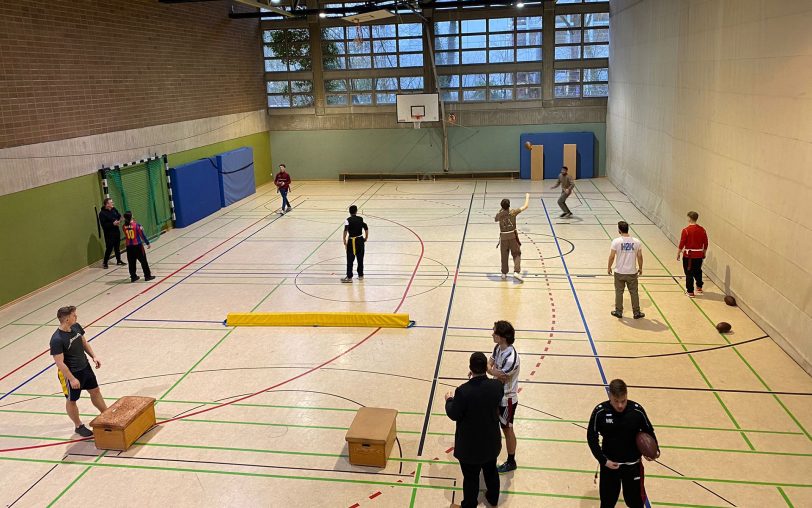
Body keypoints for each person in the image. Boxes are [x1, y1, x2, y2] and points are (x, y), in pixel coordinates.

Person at [445, 352, 504, 508]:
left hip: (470, 447)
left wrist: (449, 400)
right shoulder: (497, 386)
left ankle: (469, 505)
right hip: (491, 442)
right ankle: (493, 499)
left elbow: (454, 414)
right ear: (486, 367)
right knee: (491, 471)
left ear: (470, 368)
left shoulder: (463, 391)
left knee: (471, 477)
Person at [587, 379, 659, 508]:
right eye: (616, 401)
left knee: (635, 503)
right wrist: (603, 461)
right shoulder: (600, 412)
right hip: (609, 467)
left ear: (627, 395)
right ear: (610, 396)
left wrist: (655, 451)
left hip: (632, 467)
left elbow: (649, 431)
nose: (620, 405)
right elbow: (591, 437)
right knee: (607, 503)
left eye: (623, 401)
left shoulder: (637, 411)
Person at [50, 306, 108, 437]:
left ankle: (106, 413)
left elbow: (84, 343)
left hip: (85, 367)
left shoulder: (76, 327)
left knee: (95, 391)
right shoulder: (57, 339)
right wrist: (71, 378)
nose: (76, 317)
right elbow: (59, 363)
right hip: (71, 373)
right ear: (66, 319)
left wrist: (94, 356)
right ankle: (78, 425)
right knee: (72, 400)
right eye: (74, 315)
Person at [488, 320, 521, 473]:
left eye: (494, 332)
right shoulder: (498, 347)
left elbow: (500, 376)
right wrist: (488, 368)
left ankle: (511, 460)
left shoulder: (511, 358)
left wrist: (486, 369)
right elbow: (491, 363)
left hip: (507, 399)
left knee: (507, 429)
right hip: (496, 394)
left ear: (502, 337)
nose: (492, 334)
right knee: (493, 425)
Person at [607, 221, 645, 319]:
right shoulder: (636, 242)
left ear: (619, 230)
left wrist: (609, 267)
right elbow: (640, 256)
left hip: (619, 272)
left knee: (619, 292)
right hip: (632, 272)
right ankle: (636, 312)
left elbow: (611, 257)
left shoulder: (616, 241)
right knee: (634, 292)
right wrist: (640, 268)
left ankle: (618, 311)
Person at [495, 193, 529, 282]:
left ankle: (504, 273)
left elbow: (495, 219)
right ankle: (516, 272)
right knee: (517, 253)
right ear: (509, 205)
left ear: (501, 206)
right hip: (513, 236)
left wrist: (501, 211)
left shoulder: (499, 214)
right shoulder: (513, 212)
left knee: (504, 255)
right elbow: (525, 206)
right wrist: (527, 197)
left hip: (503, 238)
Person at [677, 211, 708, 297]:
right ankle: (699, 287)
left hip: (689, 256)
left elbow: (682, 243)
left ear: (689, 218)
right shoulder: (702, 230)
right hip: (699, 256)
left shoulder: (686, 230)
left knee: (689, 273)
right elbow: (706, 243)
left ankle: (690, 291)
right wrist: (704, 253)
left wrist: (678, 253)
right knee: (698, 271)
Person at [122, 211, 155, 283]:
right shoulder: (137, 225)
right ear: (131, 217)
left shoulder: (123, 226)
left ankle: (133, 277)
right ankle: (147, 276)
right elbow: (142, 235)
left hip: (129, 247)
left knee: (131, 262)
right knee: (143, 261)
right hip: (138, 246)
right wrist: (147, 243)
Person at [341, 205, 368, 283]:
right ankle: (361, 275)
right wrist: (366, 237)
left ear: (349, 212)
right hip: (360, 240)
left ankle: (349, 277)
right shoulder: (360, 219)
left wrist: (344, 239)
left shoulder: (347, 220)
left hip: (351, 241)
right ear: (356, 211)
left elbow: (345, 230)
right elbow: (366, 227)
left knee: (350, 259)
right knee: (360, 258)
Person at [98, 198, 126, 269]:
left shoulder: (114, 209)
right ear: (107, 204)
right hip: (109, 233)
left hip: (116, 231)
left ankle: (118, 260)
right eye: (111, 202)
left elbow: (119, 215)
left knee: (117, 246)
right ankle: (105, 262)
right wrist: (113, 224)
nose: (113, 203)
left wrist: (120, 220)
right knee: (109, 248)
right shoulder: (102, 214)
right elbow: (104, 225)